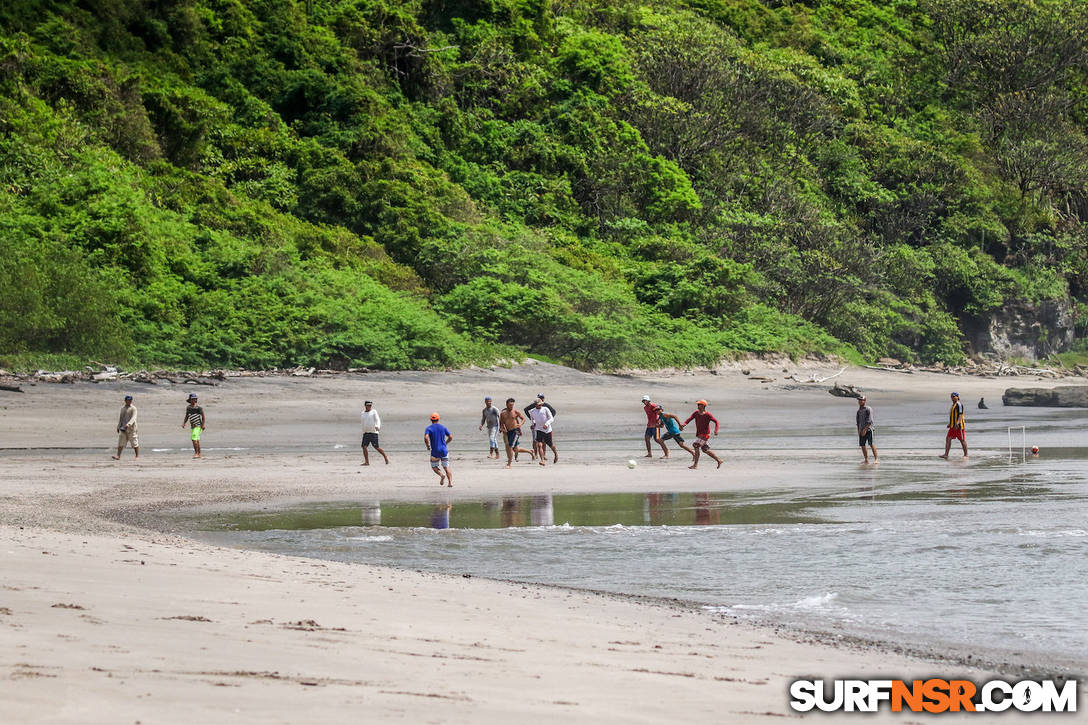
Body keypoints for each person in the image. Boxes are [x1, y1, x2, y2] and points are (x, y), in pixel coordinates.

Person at [683, 400, 723, 470]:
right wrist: (684, 424)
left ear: (704, 406)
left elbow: (716, 422)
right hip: (699, 434)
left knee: (696, 445)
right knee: (705, 449)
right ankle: (718, 460)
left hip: (705, 434)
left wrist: (716, 430)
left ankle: (695, 465)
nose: (698, 406)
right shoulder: (696, 413)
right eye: (698, 405)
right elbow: (689, 419)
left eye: (699, 405)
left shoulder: (708, 415)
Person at [498, 398, 534, 468]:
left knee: (510, 447)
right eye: (510, 405)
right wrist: (501, 428)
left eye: (512, 405)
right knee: (516, 449)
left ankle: (509, 464)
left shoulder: (515, 411)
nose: (511, 406)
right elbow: (501, 423)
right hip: (508, 432)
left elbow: (523, 419)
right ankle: (530, 451)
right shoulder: (502, 413)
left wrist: (520, 424)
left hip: (515, 431)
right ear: (506, 404)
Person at [424, 412, 453, 487]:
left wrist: (427, 446)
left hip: (435, 452)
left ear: (431, 420)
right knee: (446, 467)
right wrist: (446, 443)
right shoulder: (443, 427)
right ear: (438, 419)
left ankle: (441, 475)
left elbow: (426, 437)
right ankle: (450, 483)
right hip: (444, 450)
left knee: (434, 466)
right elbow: (450, 437)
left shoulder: (429, 428)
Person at [528, 398, 557, 466]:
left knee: (550, 445)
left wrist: (546, 424)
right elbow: (533, 420)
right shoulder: (532, 411)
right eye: (538, 405)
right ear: (535, 405)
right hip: (539, 429)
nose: (540, 405)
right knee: (539, 445)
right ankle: (542, 460)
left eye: (541, 404)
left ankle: (556, 454)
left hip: (547, 430)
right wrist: (533, 425)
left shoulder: (545, 409)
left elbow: (551, 418)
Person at [939, 391, 968, 459]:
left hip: (959, 426)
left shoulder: (959, 405)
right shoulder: (953, 405)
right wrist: (950, 424)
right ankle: (946, 454)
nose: (953, 398)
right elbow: (953, 416)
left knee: (962, 440)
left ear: (958, 397)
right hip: (952, 426)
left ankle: (966, 455)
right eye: (952, 396)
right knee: (948, 438)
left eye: (954, 396)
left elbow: (960, 415)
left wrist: (957, 423)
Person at [360, 400, 389, 465]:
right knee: (364, 446)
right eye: (368, 405)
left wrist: (377, 426)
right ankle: (367, 462)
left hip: (373, 432)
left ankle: (385, 457)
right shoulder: (362, 413)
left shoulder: (373, 411)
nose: (369, 406)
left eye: (370, 405)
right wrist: (363, 431)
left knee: (376, 447)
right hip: (366, 433)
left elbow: (377, 420)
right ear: (365, 406)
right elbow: (363, 423)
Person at [113, 394, 139, 460]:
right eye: (128, 400)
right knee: (121, 442)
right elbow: (121, 418)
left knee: (134, 442)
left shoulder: (133, 408)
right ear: (125, 400)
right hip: (123, 428)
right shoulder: (122, 408)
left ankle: (137, 456)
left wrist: (128, 424)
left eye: (130, 400)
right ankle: (118, 456)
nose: (129, 401)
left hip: (131, 429)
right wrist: (118, 426)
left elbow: (134, 418)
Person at [181, 393, 206, 459]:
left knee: (193, 439)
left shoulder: (199, 408)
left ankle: (196, 453)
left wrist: (203, 425)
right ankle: (199, 453)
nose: (194, 400)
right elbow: (187, 416)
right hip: (193, 426)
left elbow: (203, 417)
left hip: (198, 426)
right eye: (193, 399)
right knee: (196, 440)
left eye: (195, 399)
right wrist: (184, 423)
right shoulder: (188, 408)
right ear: (190, 400)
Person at [856, 395, 878, 464]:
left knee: (871, 444)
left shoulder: (868, 409)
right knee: (862, 445)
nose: (860, 401)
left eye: (861, 400)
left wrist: (865, 430)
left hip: (869, 429)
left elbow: (870, 421)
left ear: (864, 401)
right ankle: (866, 460)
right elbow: (858, 422)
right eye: (859, 400)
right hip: (861, 430)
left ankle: (876, 459)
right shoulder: (859, 411)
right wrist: (859, 430)